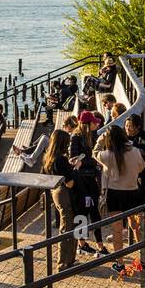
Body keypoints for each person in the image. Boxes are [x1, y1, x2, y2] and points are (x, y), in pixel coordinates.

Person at [95, 124, 145, 273]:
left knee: (117, 229)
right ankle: (143, 258)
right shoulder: (135, 151)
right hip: (132, 192)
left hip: (114, 194)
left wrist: (101, 139)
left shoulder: (108, 155)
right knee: (136, 226)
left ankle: (120, 263)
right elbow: (142, 167)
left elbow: (94, 152)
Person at [69, 111, 106, 255]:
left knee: (95, 211)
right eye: (93, 122)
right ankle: (82, 243)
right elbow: (74, 159)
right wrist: (95, 162)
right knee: (81, 212)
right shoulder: (76, 138)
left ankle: (100, 245)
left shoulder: (94, 136)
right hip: (81, 180)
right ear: (87, 124)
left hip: (92, 178)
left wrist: (94, 162)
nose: (96, 124)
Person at [42, 129, 78, 273]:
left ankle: (67, 260)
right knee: (68, 226)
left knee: (67, 225)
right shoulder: (61, 159)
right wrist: (75, 168)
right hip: (65, 193)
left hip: (54, 192)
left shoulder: (48, 157)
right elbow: (70, 183)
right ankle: (63, 262)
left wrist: (69, 165)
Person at [126, 112, 145, 200]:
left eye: (130, 126)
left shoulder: (144, 135)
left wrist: (131, 144)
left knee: (143, 196)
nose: (127, 128)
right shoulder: (124, 136)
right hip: (130, 170)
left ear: (138, 127)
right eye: (126, 126)